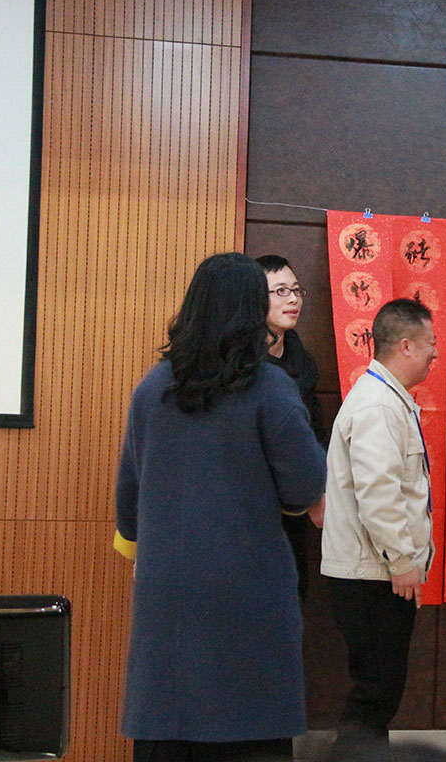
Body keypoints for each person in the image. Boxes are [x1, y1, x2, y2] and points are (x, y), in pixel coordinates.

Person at [114, 253, 327, 762]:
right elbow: (305, 485)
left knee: (167, 729)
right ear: (252, 311)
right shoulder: (270, 387)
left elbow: (129, 497)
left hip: (166, 590)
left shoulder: (153, 387)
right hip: (248, 587)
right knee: (247, 729)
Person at [320, 298, 438, 760]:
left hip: (374, 571)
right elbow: (378, 493)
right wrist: (402, 560)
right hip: (372, 575)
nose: (435, 353)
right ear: (405, 346)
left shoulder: (386, 398)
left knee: (378, 688)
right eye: (430, 343)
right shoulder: (377, 405)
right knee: (376, 690)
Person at [256, 253, 327, 597]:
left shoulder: (303, 362)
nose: (293, 300)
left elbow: (314, 431)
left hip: (296, 513)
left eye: (296, 290)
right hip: (255, 511)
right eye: (281, 291)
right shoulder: (243, 368)